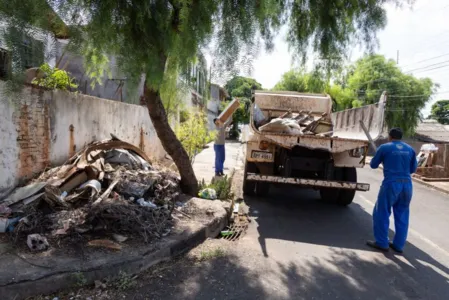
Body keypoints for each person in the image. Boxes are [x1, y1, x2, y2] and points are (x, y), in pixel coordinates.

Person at [367, 128, 417, 253]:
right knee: (402, 214)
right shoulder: (410, 149)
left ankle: (382, 243)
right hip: (407, 185)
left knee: (381, 212)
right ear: (400, 137)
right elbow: (413, 169)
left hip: (391, 184)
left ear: (390, 136)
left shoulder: (385, 147)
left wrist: (383, 158)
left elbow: (373, 165)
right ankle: (398, 245)